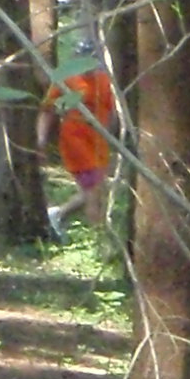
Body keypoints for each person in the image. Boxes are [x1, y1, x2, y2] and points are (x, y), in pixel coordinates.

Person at [46, 41, 120, 245]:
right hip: (75, 142)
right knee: (94, 190)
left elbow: (111, 112)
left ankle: (58, 214)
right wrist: (41, 138)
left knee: (98, 190)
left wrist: (112, 137)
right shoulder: (67, 79)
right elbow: (47, 109)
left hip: (99, 144)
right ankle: (99, 241)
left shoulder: (104, 81)